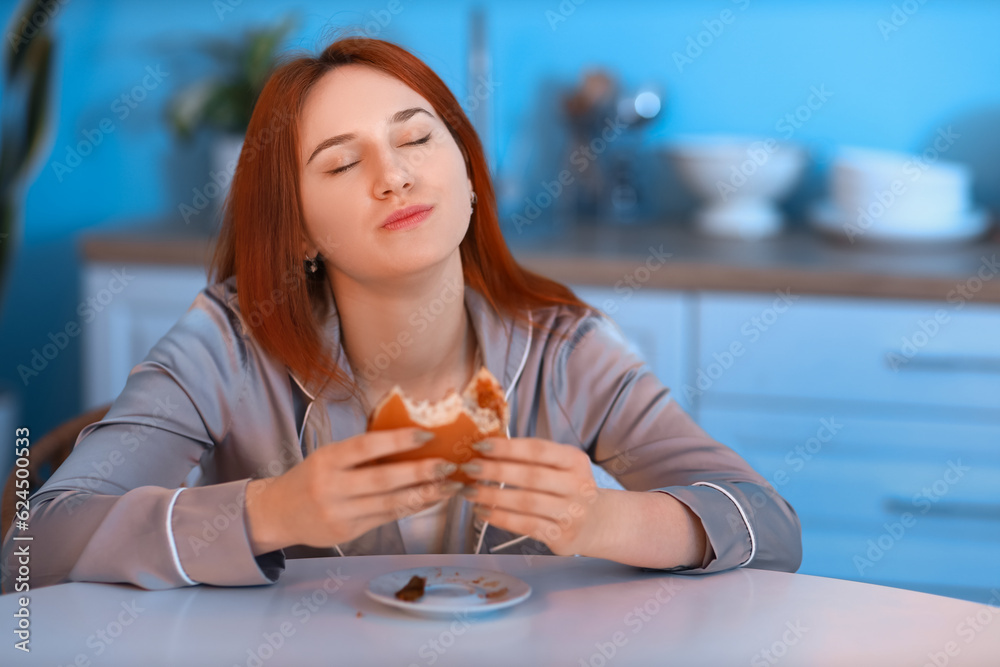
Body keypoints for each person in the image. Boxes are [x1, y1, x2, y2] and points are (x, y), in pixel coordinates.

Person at [1, 36, 801, 592]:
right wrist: (271, 511)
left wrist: (606, 520)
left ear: (470, 174)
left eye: (417, 139)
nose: (394, 177)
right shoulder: (226, 342)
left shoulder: (565, 347)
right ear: (302, 230)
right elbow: (28, 556)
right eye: (343, 162)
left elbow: (772, 528)